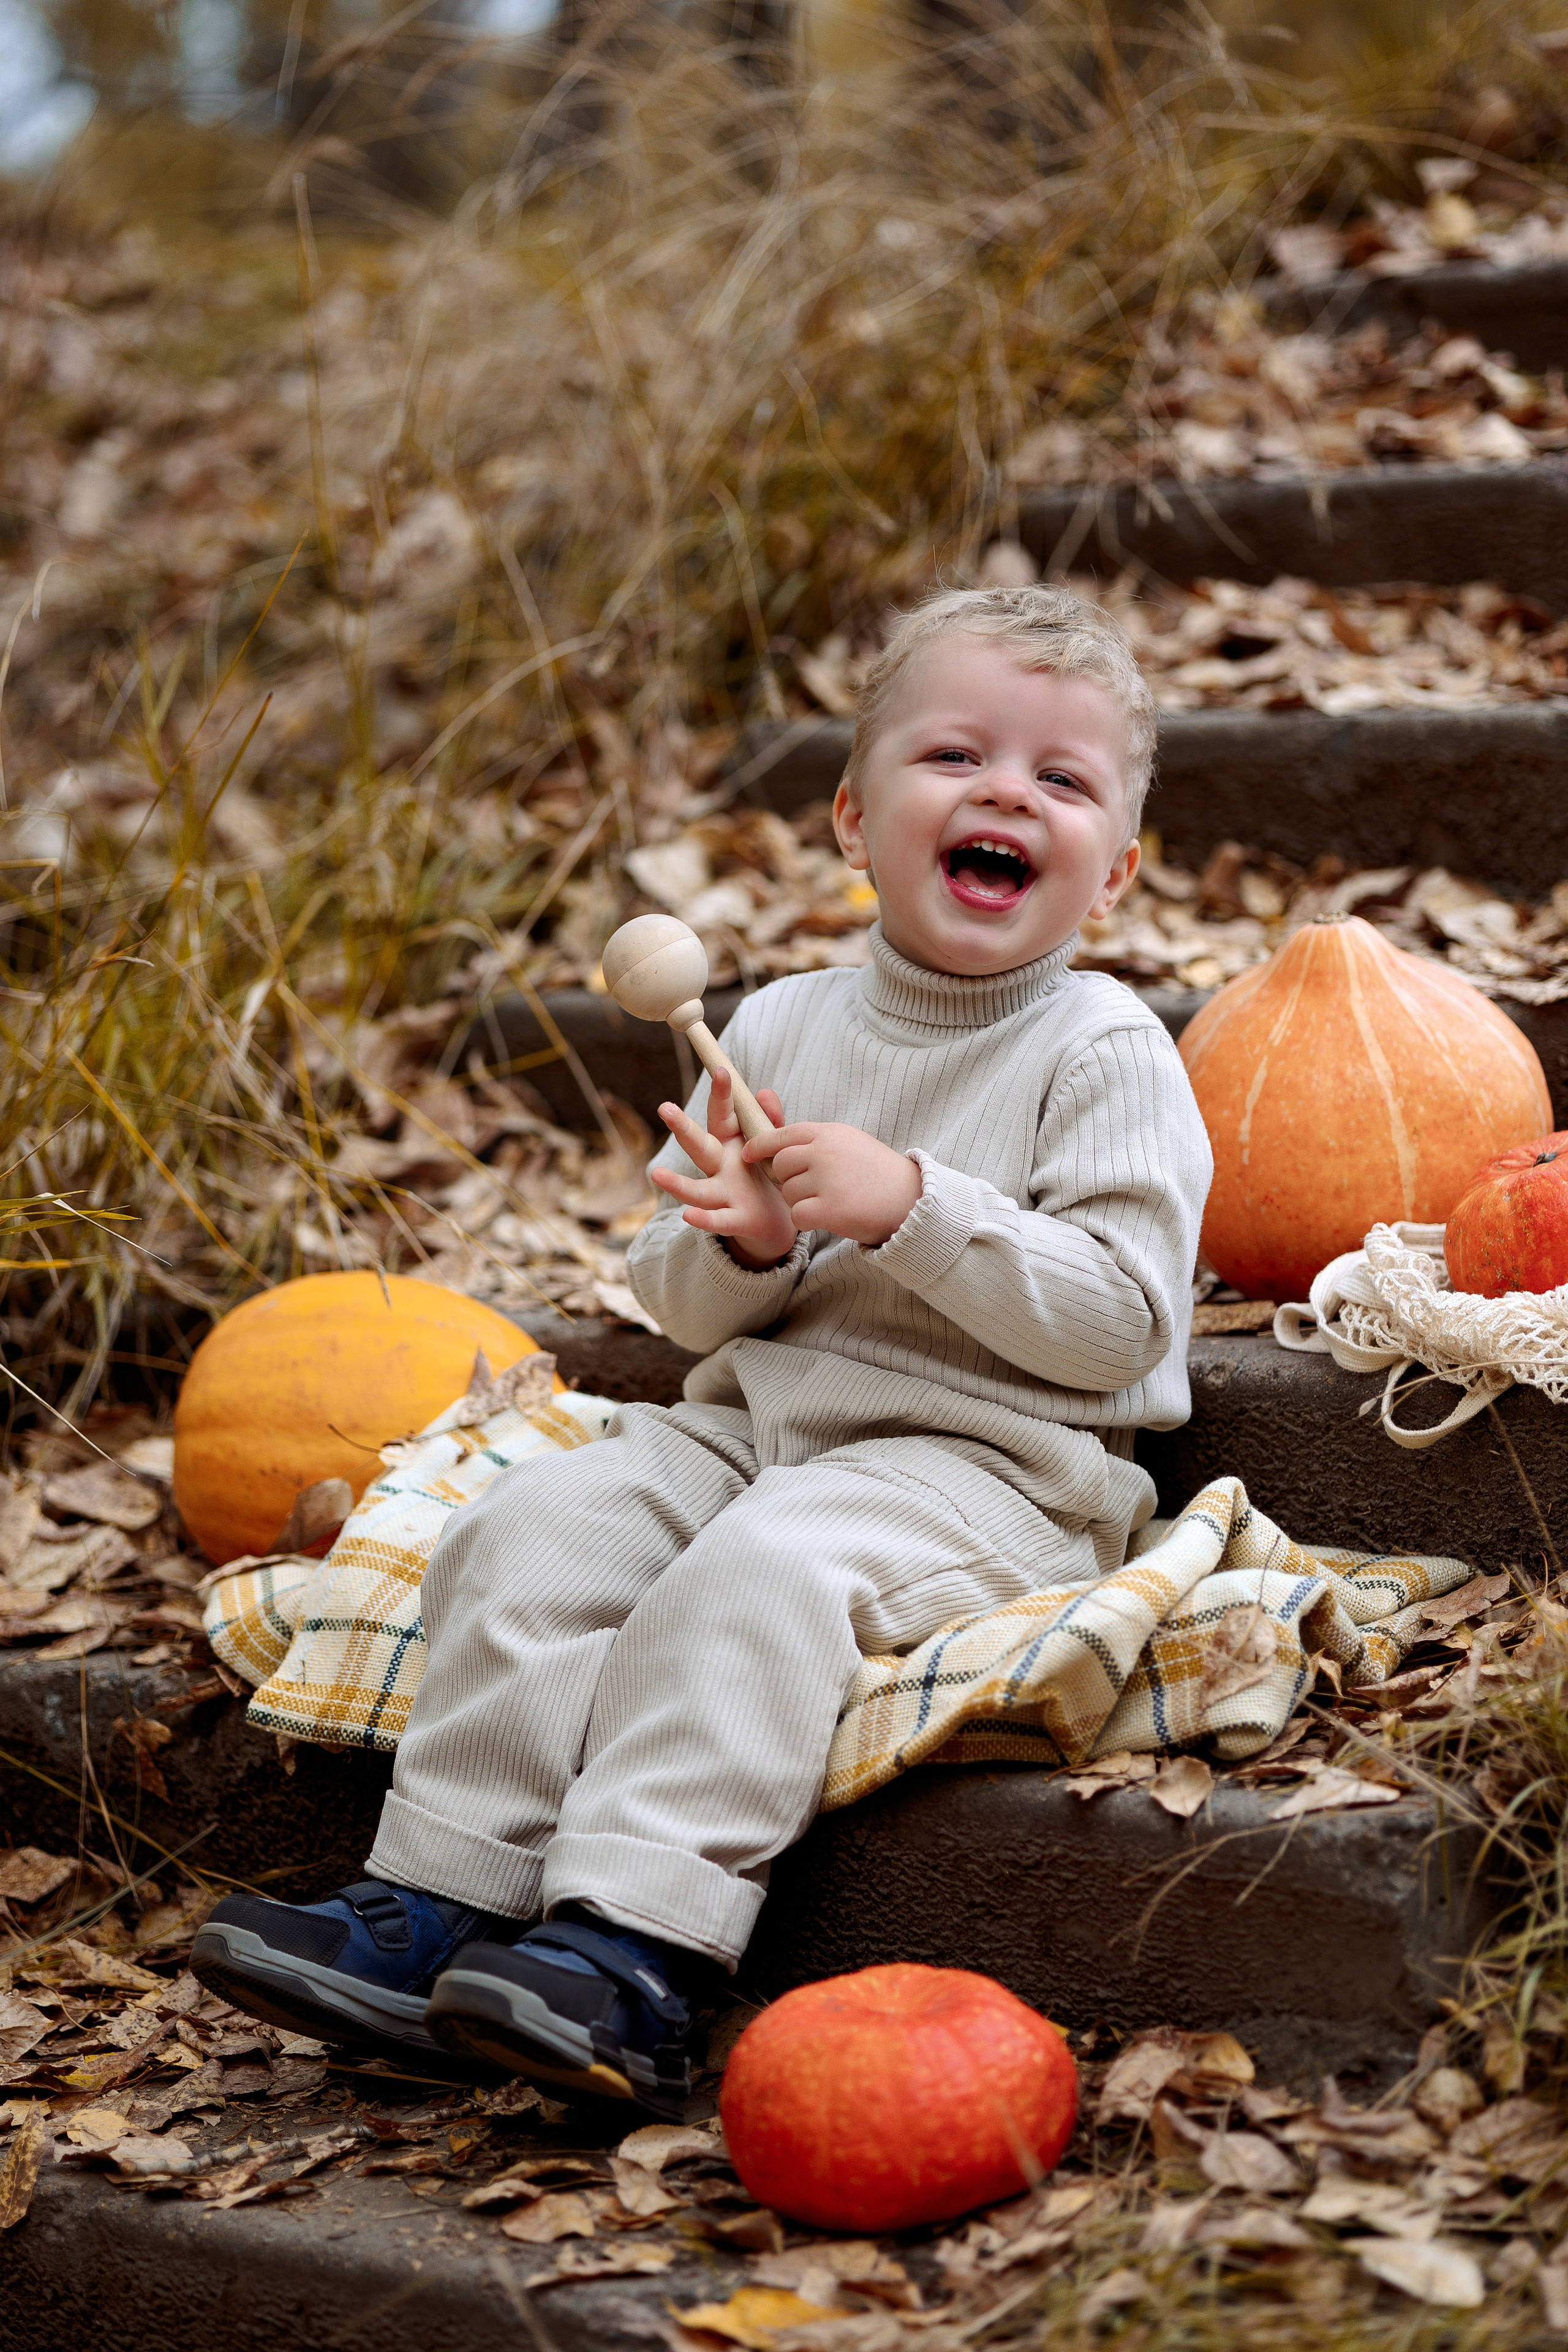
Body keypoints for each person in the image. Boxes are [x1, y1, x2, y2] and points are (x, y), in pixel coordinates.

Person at [192, 582, 1213, 2118]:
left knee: (762, 1574)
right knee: (537, 1527)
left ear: (1114, 872)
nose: (1007, 791)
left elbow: (1124, 1327)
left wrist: (914, 1209)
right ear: (851, 823)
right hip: (754, 1426)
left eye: (1060, 781)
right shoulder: (783, 1024)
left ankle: (634, 1944)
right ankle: (443, 1896)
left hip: (990, 1468)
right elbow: (679, 1307)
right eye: (954, 758)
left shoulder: (1102, 1051)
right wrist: (743, 1246)